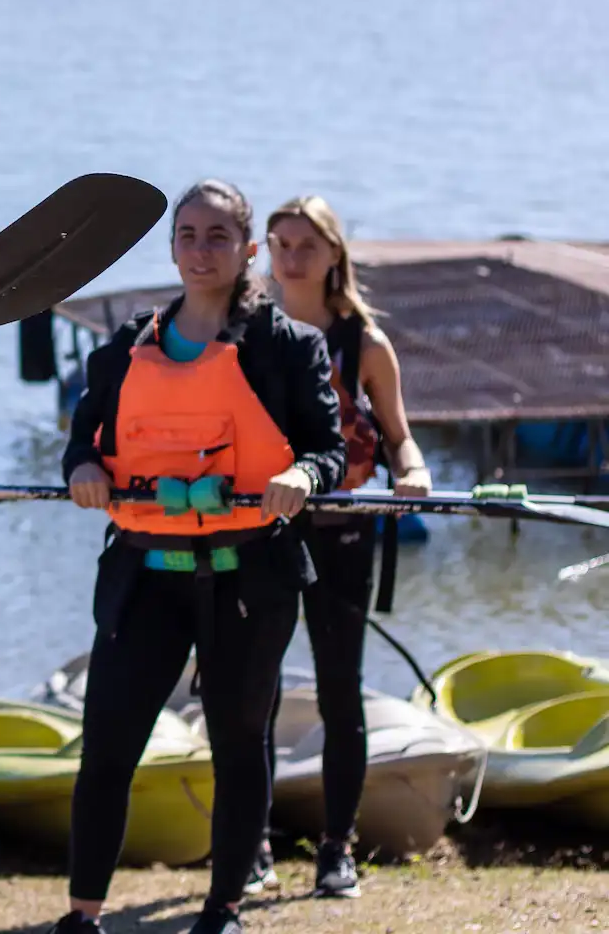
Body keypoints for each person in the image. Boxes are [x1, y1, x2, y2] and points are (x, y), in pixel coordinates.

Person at [55, 179, 347, 934]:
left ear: (248, 251)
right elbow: (82, 442)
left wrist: (302, 477)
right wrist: (83, 470)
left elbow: (328, 451)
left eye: (218, 237)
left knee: (239, 746)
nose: (200, 250)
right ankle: (83, 911)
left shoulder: (289, 347)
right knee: (108, 748)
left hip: (248, 579)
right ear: (173, 245)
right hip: (145, 578)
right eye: (187, 235)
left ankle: (223, 907)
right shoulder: (125, 347)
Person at [257, 195, 432, 900]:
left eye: (306, 244)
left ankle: (336, 848)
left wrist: (413, 470)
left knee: (339, 691)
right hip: (261, 532)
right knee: (253, 692)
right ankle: (253, 843)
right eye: (281, 243)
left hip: (343, 533)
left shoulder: (364, 343)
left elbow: (397, 434)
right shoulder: (249, 333)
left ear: (335, 254)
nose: (292, 257)